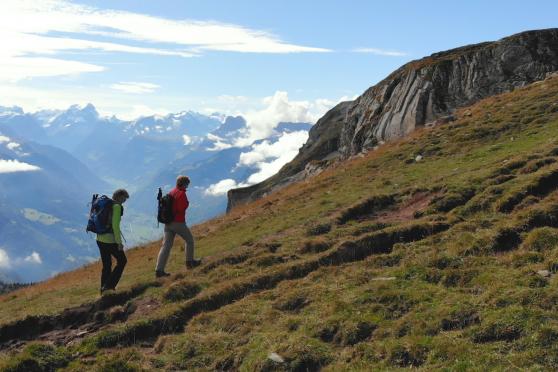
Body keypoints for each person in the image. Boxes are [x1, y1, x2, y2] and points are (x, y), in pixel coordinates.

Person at [155, 175, 200, 278]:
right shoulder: (181, 194)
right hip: (178, 222)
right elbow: (181, 208)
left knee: (165, 246)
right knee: (189, 240)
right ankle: (190, 262)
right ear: (184, 183)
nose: (187, 186)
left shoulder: (172, 192)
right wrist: (187, 203)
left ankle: (159, 270)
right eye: (187, 184)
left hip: (168, 223)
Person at [96, 189, 129, 294]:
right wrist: (119, 243)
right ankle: (109, 287)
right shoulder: (117, 207)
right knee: (122, 261)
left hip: (100, 239)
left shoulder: (107, 205)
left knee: (106, 265)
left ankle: (103, 290)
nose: (124, 201)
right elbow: (115, 226)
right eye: (124, 198)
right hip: (110, 240)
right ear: (120, 197)